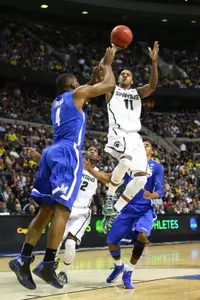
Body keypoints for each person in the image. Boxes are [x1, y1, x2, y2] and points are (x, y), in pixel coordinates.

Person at [9, 47, 116, 290]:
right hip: (68, 153)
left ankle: (23, 257)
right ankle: (47, 263)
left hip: (51, 152)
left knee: (46, 210)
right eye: (77, 82)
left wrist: (90, 80)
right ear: (71, 84)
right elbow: (108, 86)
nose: (81, 84)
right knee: (62, 211)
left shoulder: (60, 100)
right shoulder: (77, 93)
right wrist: (108, 65)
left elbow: (85, 92)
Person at [102, 42, 159, 218]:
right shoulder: (112, 89)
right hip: (118, 132)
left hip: (135, 137)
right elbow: (106, 71)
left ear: (132, 80)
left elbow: (152, 86)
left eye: (128, 74)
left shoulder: (136, 92)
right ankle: (109, 197)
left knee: (141, 179)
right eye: (122, 74)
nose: (124, 75)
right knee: (125, 162)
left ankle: (114, 211)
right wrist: (109, 62)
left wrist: (154, 63)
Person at [104, 140, 164, 289]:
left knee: (142, 235)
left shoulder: (156, 167)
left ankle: (128, 271)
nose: (144, 146)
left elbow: (160, 190)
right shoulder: (130, 163)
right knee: (111, 243)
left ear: (152, 151)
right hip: (127, 207)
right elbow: (114, 178)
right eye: (142, 144)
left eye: (147, 145)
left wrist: (153, 195)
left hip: (145, 209)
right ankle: (119, 266)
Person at [57, 146, 111, 284]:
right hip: (67, 208)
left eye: (95, 150)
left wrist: (90, 170)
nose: (92, 150)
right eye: (90, 149)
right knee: (56, 239)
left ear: (98, 158)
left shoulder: (97, 172)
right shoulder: (75, 166)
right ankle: (51, 263)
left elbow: (108, 179)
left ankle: (63, 272)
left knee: (70, 243)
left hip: (82, 211)